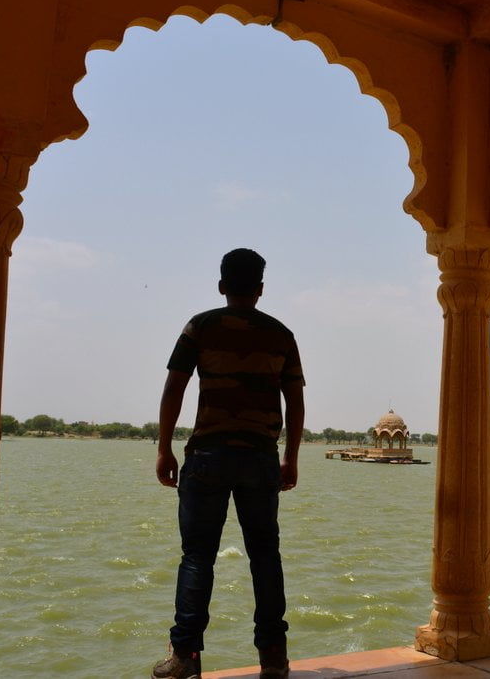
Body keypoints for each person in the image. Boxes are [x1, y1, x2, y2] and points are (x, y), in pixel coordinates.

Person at [152, 248, 304, 679]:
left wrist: (163, 447)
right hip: (260, 458)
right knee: (265, 557)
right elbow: (295, 401)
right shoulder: (281, 334)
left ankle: (184, 658)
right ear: (260, 289)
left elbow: (174, 389)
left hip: (208, 457)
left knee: (198, 558)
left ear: (222, 286)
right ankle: (273, 658)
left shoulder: (200, 326)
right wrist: (290, 456)